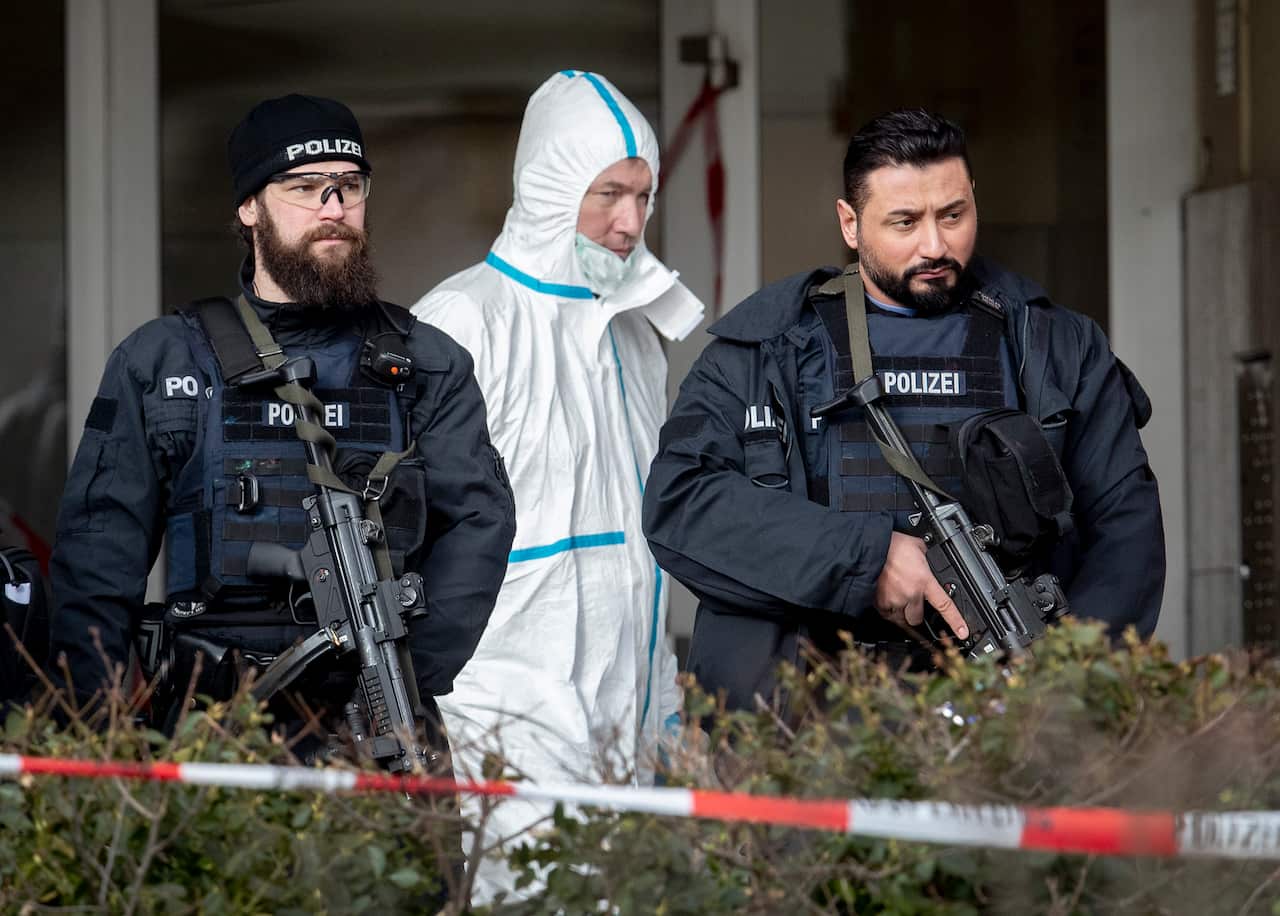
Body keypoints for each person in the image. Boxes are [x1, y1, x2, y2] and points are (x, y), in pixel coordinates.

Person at [643, 109, 1165, 712]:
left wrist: (1066, 694)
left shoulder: (1055, 346)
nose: (935, 244)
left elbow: (1127, 532)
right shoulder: (767, 351)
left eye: (953, 215)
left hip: (1007, 716)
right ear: (850, 223)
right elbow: (680, 503)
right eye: (904, 222)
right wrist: (869, 559)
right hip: (803, 725)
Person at [49, 94, 516, 757]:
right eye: (305, 188)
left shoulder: (425, 362)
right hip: (207, 725)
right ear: (249, 207)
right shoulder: (166, 360)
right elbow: (97, 558)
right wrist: (101, 736)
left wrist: (404, 682)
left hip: (376, 721)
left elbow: (480, 523)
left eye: (349, 187)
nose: (334, 207)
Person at [411, 70, 704, 902]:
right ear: (548, 184)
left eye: (644, 196)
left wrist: (665, 711)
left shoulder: (636, 333)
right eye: (608, 192)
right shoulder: (463, 322)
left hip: (631, 708)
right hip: (504, 710)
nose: (630, 222)